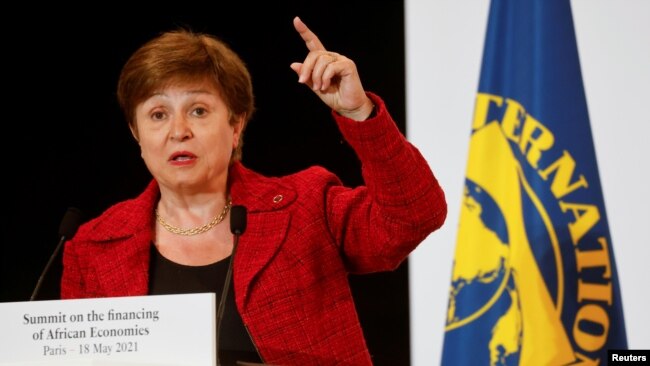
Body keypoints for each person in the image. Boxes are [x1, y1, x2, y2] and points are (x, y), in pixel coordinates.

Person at [61, 16, 447, 365]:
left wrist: (358, 112)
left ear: (236, 125)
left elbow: (414, 215)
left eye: (198, 110)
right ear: (136, 133)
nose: (178, 130)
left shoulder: (305, 207)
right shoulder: (93, 247)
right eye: (158, 114)